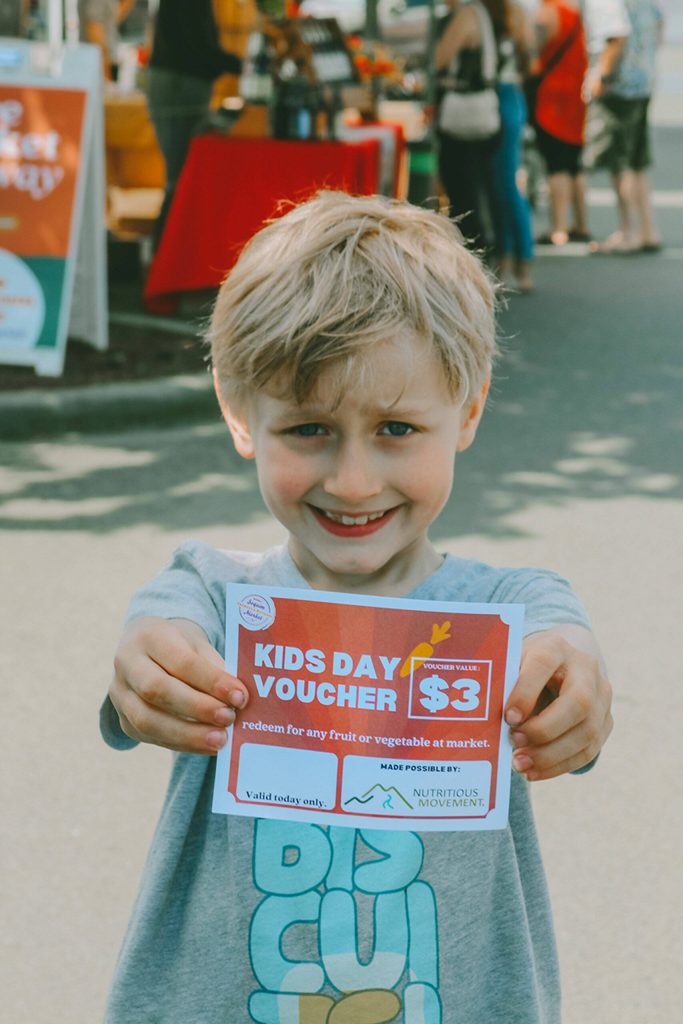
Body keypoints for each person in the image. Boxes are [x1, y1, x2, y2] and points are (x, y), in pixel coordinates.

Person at [102, 191, 613, 1023]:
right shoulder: (210, 592)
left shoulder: (509, 608)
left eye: (398, 430)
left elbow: (564, 648)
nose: (351, 481)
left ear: (469, 410)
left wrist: (571, 683)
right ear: (239, 410)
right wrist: (151, 662)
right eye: (307, 429)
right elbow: (157, 636)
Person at [146, 0, 242, 244]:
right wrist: (239, 65)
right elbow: (197, 46)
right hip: (179, 84)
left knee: (180, 177)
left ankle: (167, 255)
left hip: (177, 83)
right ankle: (166, 255)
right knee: (180, 179)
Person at [583, 0, 664, 253]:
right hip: (643, 79)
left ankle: (629, 232)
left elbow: (617, 36)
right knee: (637, 161)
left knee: (621, 163)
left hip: (619, 87)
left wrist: (601, 76)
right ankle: (648, 230)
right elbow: (659, 23)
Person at [435, 0, 503, 251]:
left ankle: (475, 253)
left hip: (465, 116)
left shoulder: (466, 14)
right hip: (484, 111)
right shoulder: (483, 11)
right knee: (479, 189)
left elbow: (440, 58)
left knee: (463, 195)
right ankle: (489, 253)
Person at [532, 0, 590, 246]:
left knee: (556, 163)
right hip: (577, 93)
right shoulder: (577, 11)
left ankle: (559, 227)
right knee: (574, 162)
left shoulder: (547, 12)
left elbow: (533, 52)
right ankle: (581, 223)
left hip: (552, 96)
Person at [492, 0, 536, 291]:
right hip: (512, 97)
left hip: (498, 98)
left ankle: (512, 259)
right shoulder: (518, 14)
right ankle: (520, 260)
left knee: (503, 185)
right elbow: (530, 64)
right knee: (506, 184)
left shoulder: (494, 12)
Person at [78, 0, 135, 80]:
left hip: (103, 63)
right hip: (98, 66)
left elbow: (111, 18)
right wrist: (105, 71)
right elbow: (93, 29)